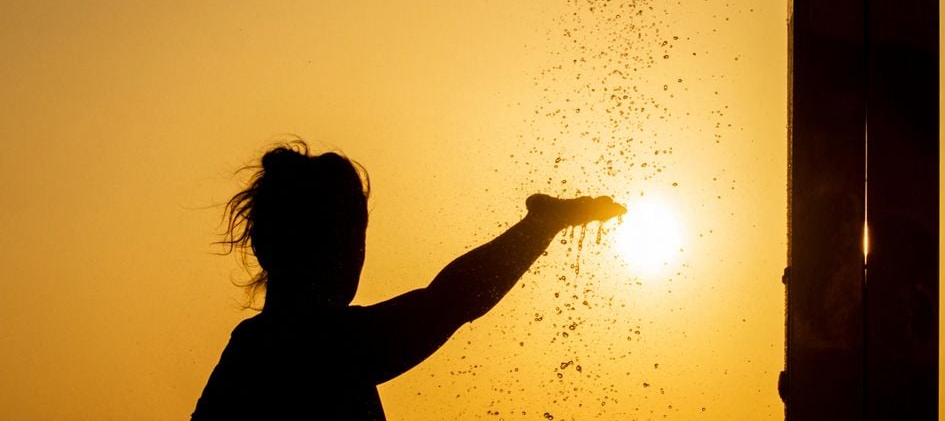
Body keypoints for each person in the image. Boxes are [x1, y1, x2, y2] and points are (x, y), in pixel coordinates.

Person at [192, 141, 624, 420]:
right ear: (282, 245)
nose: (353, 256)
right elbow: (450, 301)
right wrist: (542, 224)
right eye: (343, 238)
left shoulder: (256, 348)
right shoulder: (303, 347)